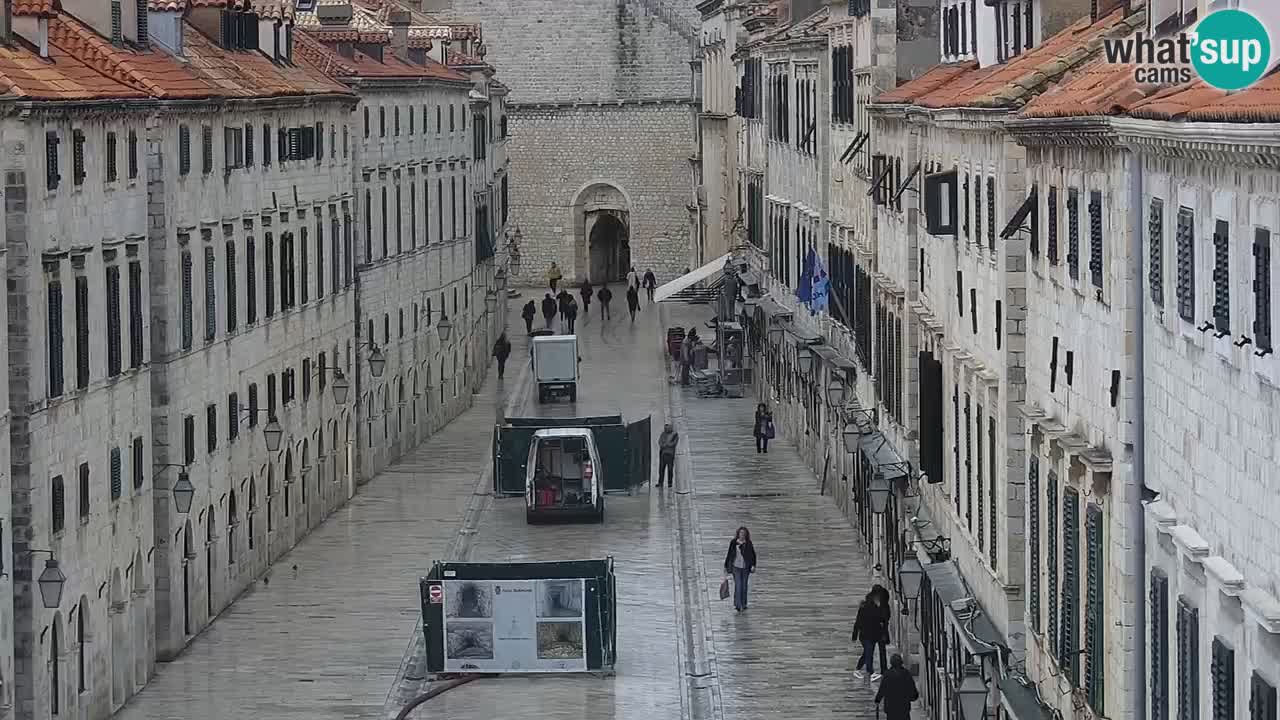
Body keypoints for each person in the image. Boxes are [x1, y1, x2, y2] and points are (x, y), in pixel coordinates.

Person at [852, 586, 891, 681]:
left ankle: (883, 670)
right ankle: (869, 672)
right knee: (868, 652)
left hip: (879, 632)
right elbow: (859, 620)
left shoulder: (884, 604)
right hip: (867, 633)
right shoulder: (866, 606)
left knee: (879, 651)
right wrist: (855, 634)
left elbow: (886, 620)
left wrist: (885, 634)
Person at [875, 654, 920, 720]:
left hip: (891, 707)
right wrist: (912, 697)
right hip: (904, 707)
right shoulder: (906, 674)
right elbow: (913, 690)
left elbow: (882, 689)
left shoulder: (887, 674)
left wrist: (877, 700)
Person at [723, 527, 757, 612]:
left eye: (744, 533)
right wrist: (726, 566)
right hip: (736, 567)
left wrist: (753, 565)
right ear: (738, 534)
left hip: (745, 567)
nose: (742, 535)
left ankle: (744, 603)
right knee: (738, 585)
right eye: (741, 533)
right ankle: (738, 604)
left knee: (744, 586)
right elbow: (729, 554)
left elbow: (753, 555)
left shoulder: (748, 543)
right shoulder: (733, 542)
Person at [657, 423, 679, 487]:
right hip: (663, 454)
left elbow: (674, 443)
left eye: (667, 428)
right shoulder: (663, 434)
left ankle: (670, 483)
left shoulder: (675, 435)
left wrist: (666, 444)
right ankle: (660, 482)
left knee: (670, 469)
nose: (666, 429)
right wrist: (664, 445)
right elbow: (660, 442)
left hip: (670, 454)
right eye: (665, 428)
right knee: (661, 469)